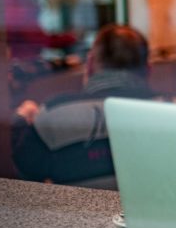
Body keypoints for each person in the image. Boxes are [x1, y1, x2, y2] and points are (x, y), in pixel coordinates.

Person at [11, 24, 159, 186]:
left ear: (89, 65)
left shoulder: (53, 113)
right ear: (149, 70)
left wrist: (20, 122)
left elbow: (24, 176)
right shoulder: (174, 109)